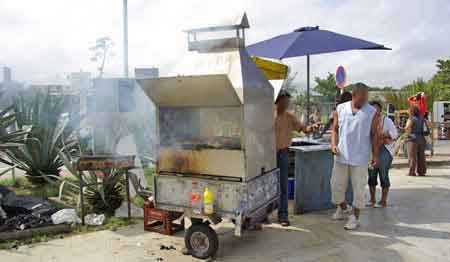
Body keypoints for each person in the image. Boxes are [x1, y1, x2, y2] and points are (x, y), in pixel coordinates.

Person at [330, 83, 380, 230]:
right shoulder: (340, 109)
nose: (365, 100)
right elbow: (334, 130)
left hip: (360, 157)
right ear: (354, 95)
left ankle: (354, 217)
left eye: (366, 97)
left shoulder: (372, 112)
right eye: (362, 97)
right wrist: (333, 145)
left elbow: (374, 135)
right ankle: (343, 207)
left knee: (359, 189)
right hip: (341, 155)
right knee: (336, 186)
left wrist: (375, 155)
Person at [275, 90, 320, 227]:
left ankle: (283, 215)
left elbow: (303, 129)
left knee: (283, 185)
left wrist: (312, 127)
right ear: (278, 101)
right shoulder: (267, 114)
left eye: (288, 102)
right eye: (285, 102)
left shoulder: (290, 117)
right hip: (266, 155)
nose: (287, 104)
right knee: (265, 187)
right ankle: (261, 217)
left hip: (282, 154)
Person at [367, 101, 398, 208]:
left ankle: (383, 201)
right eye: (371, 109)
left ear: (380, 110)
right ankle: (372, 199)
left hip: (384, 150)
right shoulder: (367, 121)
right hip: (371, 150)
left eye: (376, 109)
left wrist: (383, 135)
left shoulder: (387, 121)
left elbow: (395, 134)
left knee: (383, 174)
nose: (374, 111)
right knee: (371, 175)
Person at [405, 106, 431, 176]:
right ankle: (421, 171)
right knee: (421, 156)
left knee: (412, 156)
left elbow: (407, 127)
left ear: (412, 111)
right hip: (422, 138)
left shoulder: (411, 118)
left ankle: (412, 172)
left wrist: (407, 135)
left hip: (413, 139)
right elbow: (429, 125)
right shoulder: (423, 118)